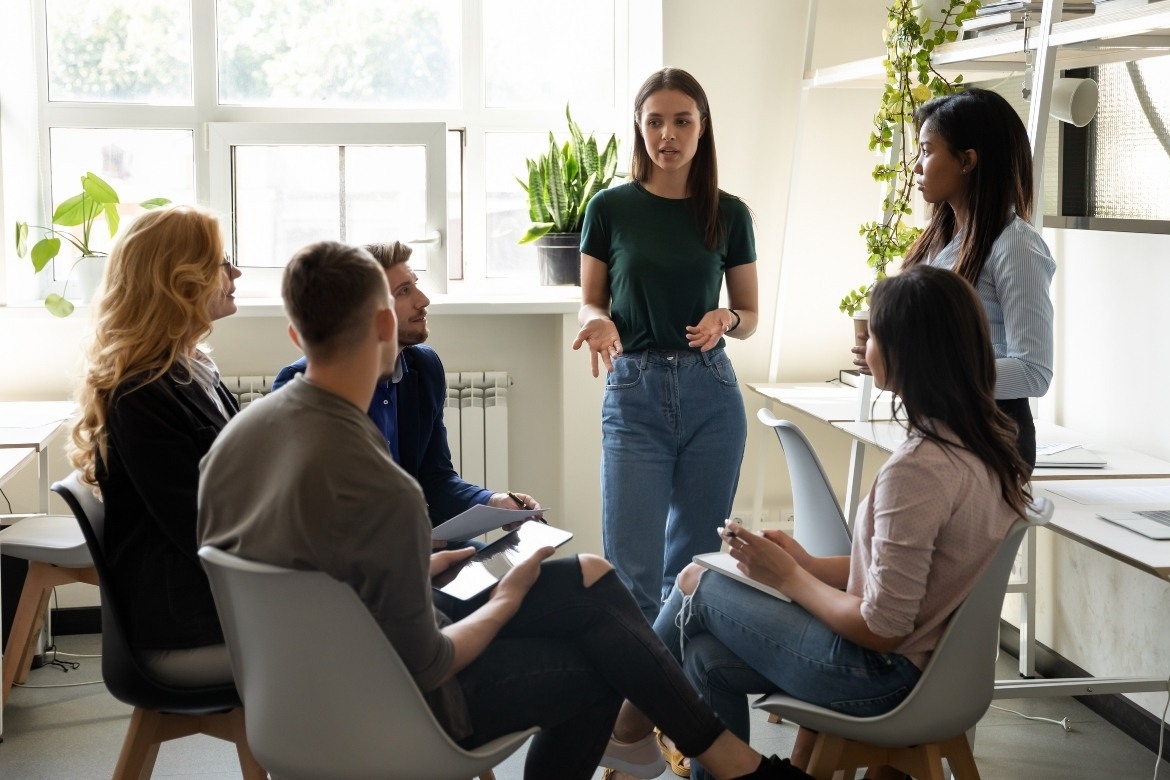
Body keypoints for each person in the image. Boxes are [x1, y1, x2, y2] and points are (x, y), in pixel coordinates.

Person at [197, 240, 812, 780]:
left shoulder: (228, 446)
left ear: (295, 336)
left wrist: (422, 562)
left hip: (287, 706)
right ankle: (731, 763)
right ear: (386, 325)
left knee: (592, 576)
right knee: (597, 662)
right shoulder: (382, 487)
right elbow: (432, 662)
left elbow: (313, 574)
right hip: (383, 711)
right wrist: (508, 598)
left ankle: (727, 761)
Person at [608, 265, 1034, 780]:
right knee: (702, 655)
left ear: (905, 352)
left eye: (873, 332)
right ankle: (637, 735)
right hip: (934, 671)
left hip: (885, 677)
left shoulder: (920, 469)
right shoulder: (987, 447)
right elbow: (908, 573)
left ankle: (626, 729)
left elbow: (882, 625)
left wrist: (791, 578)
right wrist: (806, 562)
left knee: (697, 580)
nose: (863, 343)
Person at [573, 67, 759, 622]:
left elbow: (749, 316)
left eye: (682, 121)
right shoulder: (609, 209)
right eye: (655, 122)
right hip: (634, 394)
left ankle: (676, 701)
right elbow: (591, 301)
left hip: (712, 395)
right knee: (630, 573)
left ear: (702, 128)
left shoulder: (730, 213)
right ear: (639, 126)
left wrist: (725, 317)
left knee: (694, 569)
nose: (668, 135)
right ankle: (636, 703)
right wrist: (598, 322)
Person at [69, 204, 243, 686]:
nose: (235, 272)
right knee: (378, 631)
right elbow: (206, 530)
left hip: (217, 607)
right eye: (221, 262)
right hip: (188, 629)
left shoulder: (193, 368)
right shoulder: (141, 393)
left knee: (389, 608)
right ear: (177, 280)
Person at [852, 87, 1055, 470]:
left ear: (967, 161)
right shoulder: (939, 241)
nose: (916, 167)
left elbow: (1034, 372)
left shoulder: (1016, 246)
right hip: (940, 429)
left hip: (990, 440)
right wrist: (889, 354)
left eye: (927, 151)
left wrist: (924, 371)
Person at [271, 241, 539, 527]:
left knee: (528, 563)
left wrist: (492, 502)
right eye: (404, 291)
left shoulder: (425, 367)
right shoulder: (304, 384)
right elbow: (310, 512)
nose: (423, 300)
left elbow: (435, 479)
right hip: (357, 557)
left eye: (416, 284)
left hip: (418, 543)